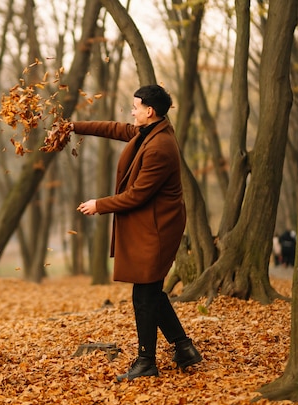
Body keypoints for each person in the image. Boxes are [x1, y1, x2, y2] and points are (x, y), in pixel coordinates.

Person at [69, 85, 202, 381]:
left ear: (149, 111)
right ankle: (184, 348)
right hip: (150, 226)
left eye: (135, 107)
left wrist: (98, 205)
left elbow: (137, 195)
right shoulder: (149, 133)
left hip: (157, 229)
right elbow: (116, 128)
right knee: (151, 292)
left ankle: (146, 362)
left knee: (144, 295)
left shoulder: (159, 147)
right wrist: (73, 126)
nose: (132, 112)